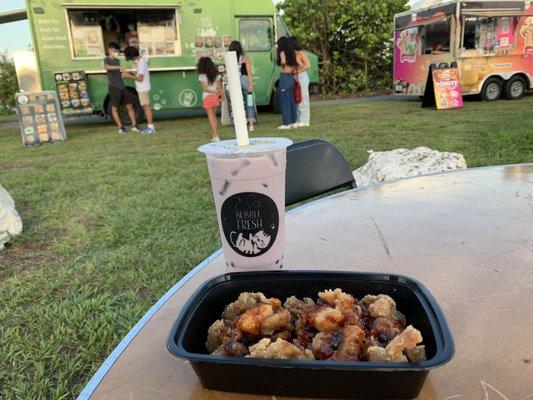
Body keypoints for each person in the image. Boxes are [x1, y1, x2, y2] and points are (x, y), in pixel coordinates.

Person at [103, 42, 141, 134]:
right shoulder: (106, 59)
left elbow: (120, 73)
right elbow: (106, 67)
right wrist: (118, 67)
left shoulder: (117, 60)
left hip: (122, 87)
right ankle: (121, 128)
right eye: (115, 51)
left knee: (130, 106)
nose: (116, 53)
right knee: (114, 108)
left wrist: (130, 73)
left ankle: (134, 125)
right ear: (110, 50)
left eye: (117, 51)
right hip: (113, 87)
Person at [124, 46, 155, 134]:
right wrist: (131, 73)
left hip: (143, 88)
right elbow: (139, 75)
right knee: (145, 106)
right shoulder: (141, 61)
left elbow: (140, 79)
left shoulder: (141, 62)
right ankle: (150, 126)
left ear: (132, 56)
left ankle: (151, 127)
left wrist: (129, 76)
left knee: (146, 107)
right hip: (142, 87)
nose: (130, 60)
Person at [228, 41, 255, 132]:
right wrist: (250, 85)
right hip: (244, 80)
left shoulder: (230, 58)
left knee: (237, 104)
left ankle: (239, 124)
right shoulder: (245, 58)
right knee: (249, 103)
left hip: (234, 81)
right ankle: (251, 125)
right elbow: (249, 73)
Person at [276, 37, 299, 129]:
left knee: (285, 100)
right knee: (292, 101)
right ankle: (294, 121)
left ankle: (286, 123)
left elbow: (283, 62)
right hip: (291, 77)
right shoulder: (292, 53)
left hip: (285, 76)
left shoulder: (282, 52)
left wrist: (281, 61)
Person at [197, 57, 222, 142]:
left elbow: (205, 89)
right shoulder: (216, 75)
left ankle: (216, 135)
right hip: (215, 97)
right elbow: (220, 87)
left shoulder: (202, 76)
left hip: (207, 97)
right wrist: (221, 95)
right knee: (214, 117)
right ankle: (214, 134)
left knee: (211, 117)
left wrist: (213, 91)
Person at [289, 36, 311, 127]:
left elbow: (308, 65)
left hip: (302, 76)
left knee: (303, 98)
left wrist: (297, 71)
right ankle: (299, 119)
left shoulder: (300, 52)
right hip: (295, 77)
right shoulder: (292, 53)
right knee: (297, 98)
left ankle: (304, 120)